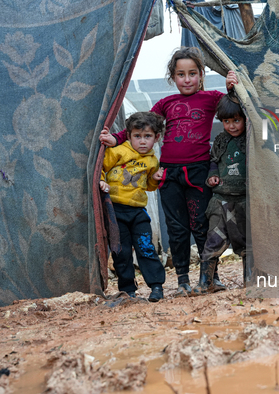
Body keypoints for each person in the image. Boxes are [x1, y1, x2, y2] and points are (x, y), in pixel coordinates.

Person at [100, 46, 238, 297]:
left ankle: (210, 276)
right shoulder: (166, 103)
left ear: (201, 75)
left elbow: (235, 107)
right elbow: (142, 125)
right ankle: (183, 279)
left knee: (201, 225)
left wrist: (231, 88)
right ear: (172, 77)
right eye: (181, 74)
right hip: (169, 174)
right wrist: (117, 138)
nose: (187, 79)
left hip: (198, 172)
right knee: (177, 227)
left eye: (192, 73)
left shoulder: (211, 99)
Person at [99, 111, 166, 302]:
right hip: (116, 211)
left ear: (157, 138)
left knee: (146, 247)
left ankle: (156, 286)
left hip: (137, 212)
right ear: (129, 136)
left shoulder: (152, 160)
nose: (142, 141)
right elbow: (101, 168)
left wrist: (154, 179)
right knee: (122, 252)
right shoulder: (118, 152)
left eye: (148, 137)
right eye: (137, 136)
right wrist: (102, 182)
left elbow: (149, 187)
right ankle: (128, 289)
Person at [193, 92, 248, 294]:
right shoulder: (221, 140)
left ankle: (249, 280)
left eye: (236, 120)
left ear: (245, 118)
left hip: (244, 201)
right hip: (220, 200)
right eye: (226, 121)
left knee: (247, 244)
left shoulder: (251, 138)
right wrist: (212, 176)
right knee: (213, 241)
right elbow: (213, 161)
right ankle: (205, 282)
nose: (232, 126)